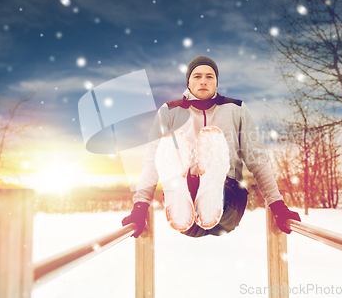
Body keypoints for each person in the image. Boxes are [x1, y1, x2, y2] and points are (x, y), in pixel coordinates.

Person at [122, 55, 301, 238]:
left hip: (229, 198)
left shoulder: (236, 108)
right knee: (169, 155)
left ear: (216, 83)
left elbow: (258, 160)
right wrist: (139, 207)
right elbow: (152, 161)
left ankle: (214, 187)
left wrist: (278, 206)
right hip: (187, 210)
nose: (203, 81)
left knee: (223, 188)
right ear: (188, 82)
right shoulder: (169, 111)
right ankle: (180, 191)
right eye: (197, 76)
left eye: (209, 76)